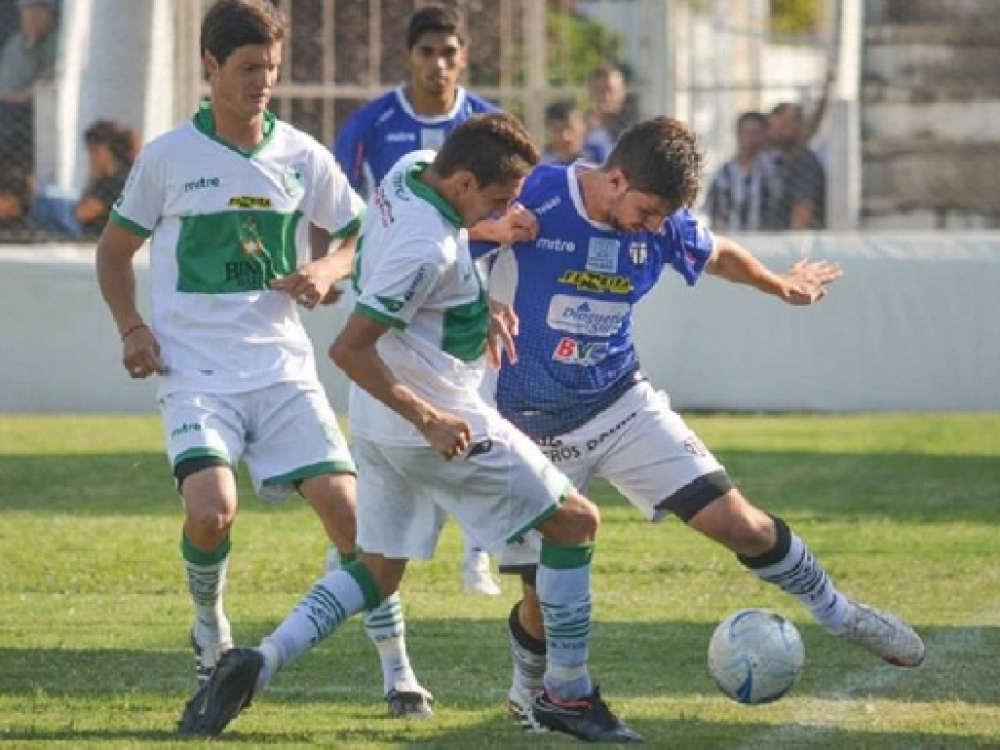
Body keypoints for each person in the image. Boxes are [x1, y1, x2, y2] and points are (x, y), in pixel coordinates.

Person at [181, 113, 643, 744]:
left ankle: (258, 663)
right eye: (498, 201)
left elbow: (422, 275)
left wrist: (479, 306)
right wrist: (429, 419)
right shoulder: (429, 248)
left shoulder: (407, 173)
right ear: (463, 182)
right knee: (576, 523)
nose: (505, 215)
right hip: (430, 418)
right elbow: (349, 347)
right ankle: (567, 691)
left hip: (374, 424)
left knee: (377, 570)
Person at [468, 116, 926, 731]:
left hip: (619, 404)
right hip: (526, 426)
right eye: (651, 211)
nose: (658, 227)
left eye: (666, 218)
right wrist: (487, 239)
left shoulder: (662, 224)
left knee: (743, 524)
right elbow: (447, 234)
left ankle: (843, 615)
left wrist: (776, 284)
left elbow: (717, 254)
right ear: (617, 178)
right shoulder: (540, 193)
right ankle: (529, 693)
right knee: (540, 600)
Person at [94, 0, 432, 728]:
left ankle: (398, 670)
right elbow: (114, 251)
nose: (262, 83)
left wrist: (325, 269)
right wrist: (132, 328)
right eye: (249, 69)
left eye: (272, 70)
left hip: (282, 371)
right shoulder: (167, 157)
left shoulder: (303, 156)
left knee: (356, 525)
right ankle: (209, 624)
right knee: (212, 513)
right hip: (195, 374)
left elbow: (359, 236)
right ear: (211, 67)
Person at [333, 2, 502, 597]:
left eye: (448, 53)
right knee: (391, 417)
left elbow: (509, 219)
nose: (438, 64)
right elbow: (343, 209)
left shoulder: (487, 124)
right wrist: (332, 264)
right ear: (409, 56)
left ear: (464, 57)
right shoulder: (374, 124)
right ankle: (368, 547)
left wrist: (491, 297)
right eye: (427, 52)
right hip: (398, 297)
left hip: (469, 306)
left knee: (480, 417)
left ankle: (478, 555)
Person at [30, 119, 139, 238]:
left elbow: (80, 214)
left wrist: (93, 177)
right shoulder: (111, 179)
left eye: (94, 151)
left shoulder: (117, 181)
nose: (91, 157)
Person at [0, 0, 58, 173]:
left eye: (38, 13)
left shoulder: (58, 43)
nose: (32, 19)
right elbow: (5, 87)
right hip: (9, 112)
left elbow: (45, 85)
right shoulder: (15, 45)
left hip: (38, 118)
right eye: (27, 13)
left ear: (50, 16)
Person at [761, 102, 826, 230]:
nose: (779, 133)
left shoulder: (804, 163)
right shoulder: (778, 163)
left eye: (785, 126)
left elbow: (802, 211)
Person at [702, 111, 769, 231]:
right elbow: (714, 212)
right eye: (746, 133)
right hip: (732, 236)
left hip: (766, 239)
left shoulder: (772, 171)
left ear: (764, 136)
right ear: (738, 134)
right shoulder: (724, 174)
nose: (750, 139)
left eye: (755, 133)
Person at [583, 61, 638, 164]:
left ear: (622, 92)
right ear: (590, 92)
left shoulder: (635, 131)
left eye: (610, 90)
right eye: (600, 91)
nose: (606, 97)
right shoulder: (579, 129)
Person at [542, 99, 603, 166]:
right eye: (558, 131)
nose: (565, 137)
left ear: (584, 128)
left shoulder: (601, 158)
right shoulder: (544, 166)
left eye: (570, 128)